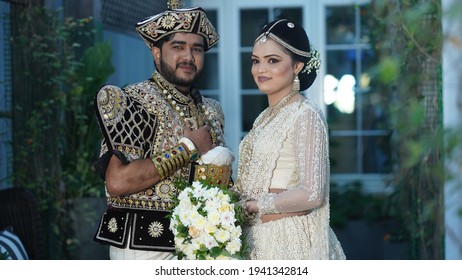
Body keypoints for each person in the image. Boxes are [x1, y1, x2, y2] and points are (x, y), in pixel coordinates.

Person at [92, 1, 233, 260]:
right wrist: (188, 148)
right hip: (143, 248)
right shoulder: (134, 101)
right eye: (178, 47)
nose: (188, 57)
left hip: (203, 245)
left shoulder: (212, 111)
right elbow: (117, 182)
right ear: (156, 52)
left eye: (197, 49)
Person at [234, 19, 346, 260]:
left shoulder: (305, 114)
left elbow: (312, 193)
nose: (260, 69)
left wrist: (253, 206)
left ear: (297, 66)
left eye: (272, 61)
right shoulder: (264, 118)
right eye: (256, 61)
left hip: (287, 241)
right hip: (254, 237)